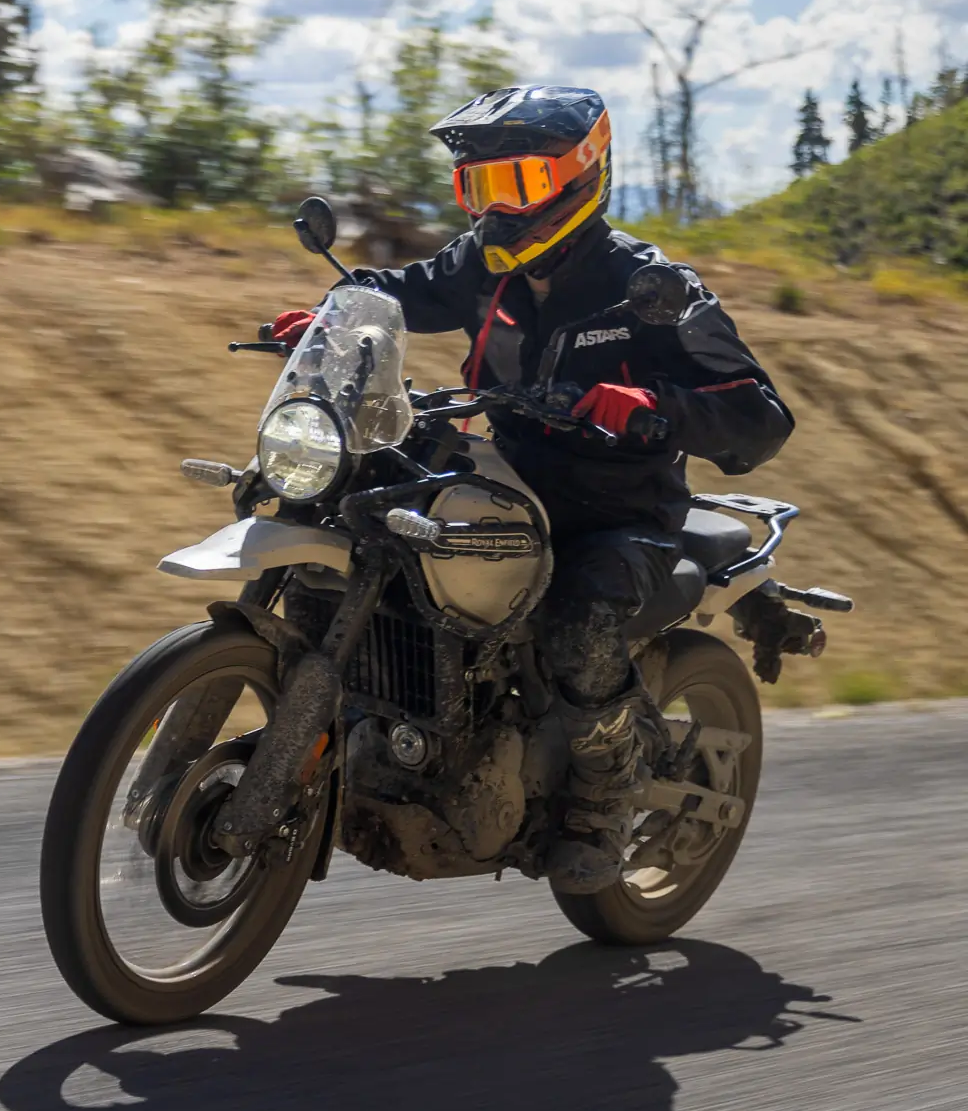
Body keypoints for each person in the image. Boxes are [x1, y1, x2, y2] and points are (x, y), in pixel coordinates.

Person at [268, 86, 793, 894]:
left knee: (579, 621)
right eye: (477, 188)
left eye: (515, 185)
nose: (495, 211)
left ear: (580, 178)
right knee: (358, 512)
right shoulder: (484, 265)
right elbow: (406, 289)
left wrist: (657, 410)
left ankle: (602, 795)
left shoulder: (651, 286)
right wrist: (334, 316)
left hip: (618, 516)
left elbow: (760, 417)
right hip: (507, 479)